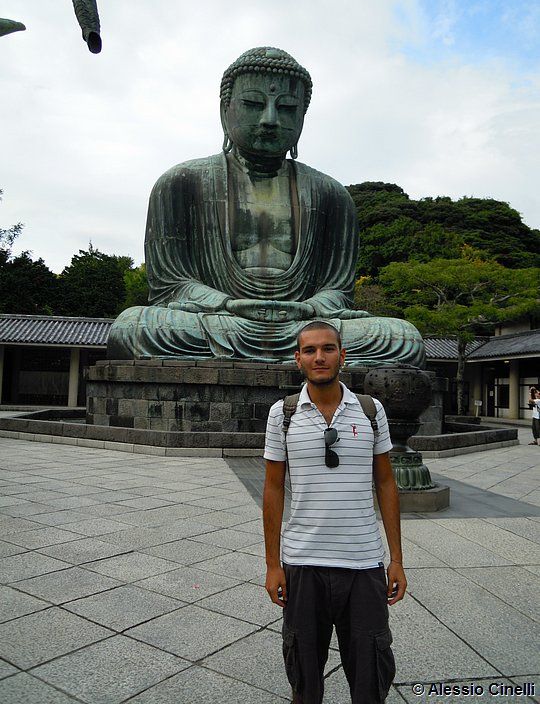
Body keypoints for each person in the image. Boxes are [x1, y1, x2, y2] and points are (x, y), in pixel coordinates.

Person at [107, 46, 425, 367]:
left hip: (305, 325)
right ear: (225, 111)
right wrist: (228, 305)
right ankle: (298, 354)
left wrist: (311, 308)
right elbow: (171, 287)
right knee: (133, 327)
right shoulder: (181, 183)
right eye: (254, 104)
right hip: (219, 322)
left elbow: (337, 291)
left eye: (286, 108)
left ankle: (301, 350)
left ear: (302, 117)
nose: (270, 119)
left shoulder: (331, 195)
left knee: (402, 338)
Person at [263, 320, 406, 704]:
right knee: (304, 676)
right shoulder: (284, 413)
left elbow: (386, 483)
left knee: (370, 672)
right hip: (303, 562)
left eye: (328, 348)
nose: (319, 357)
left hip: (362, 562)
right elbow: (273, 487)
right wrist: (273, 564)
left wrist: (397, 559)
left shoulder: (371, 410)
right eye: (309, 350)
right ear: (297, 359)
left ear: (343, 355)